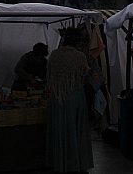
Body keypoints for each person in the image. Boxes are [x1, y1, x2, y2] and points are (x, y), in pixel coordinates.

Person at [46, 27, 94, 174]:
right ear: (77, 41)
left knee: (59, 130)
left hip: (57, 97)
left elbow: (48, 77)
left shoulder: (54, 55)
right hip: (74, 96)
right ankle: (76, 163)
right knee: (75, 130)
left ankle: (59, 162)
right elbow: (85, 74)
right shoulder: (79, 56)